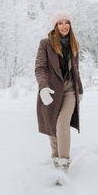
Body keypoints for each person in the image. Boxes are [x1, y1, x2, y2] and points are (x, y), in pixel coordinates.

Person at [35, 10, 83, 175]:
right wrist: (43, 87)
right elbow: (40, 68)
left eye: (67, 22)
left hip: (69, 89)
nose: (64, 26)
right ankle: (56, 156)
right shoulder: (45, 44)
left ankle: (64, 163)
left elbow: (76, 70)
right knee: (52, 124)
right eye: (60, 23)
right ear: (55, 26)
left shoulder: (74, 44)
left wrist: (80, 89)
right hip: (52, 89)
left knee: (62, 124)